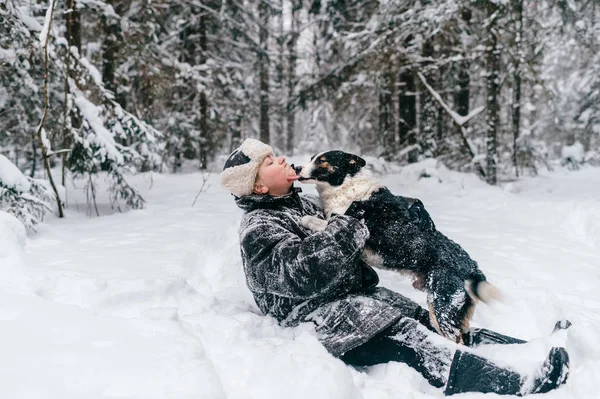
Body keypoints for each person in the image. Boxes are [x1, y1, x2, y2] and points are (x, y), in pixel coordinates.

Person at [220, 138, 570, 396]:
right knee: (413, 337)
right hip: (318, 317)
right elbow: (297, 273)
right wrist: (349, 224)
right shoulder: (259, 226)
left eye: (273, 153)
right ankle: (517, 384)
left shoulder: (304, 204)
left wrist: (400, 208)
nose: (280, 157)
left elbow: (359, 212)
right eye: (268, 161)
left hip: (356, 297)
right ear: (259, 185)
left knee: (429, 322)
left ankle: (526, 349)